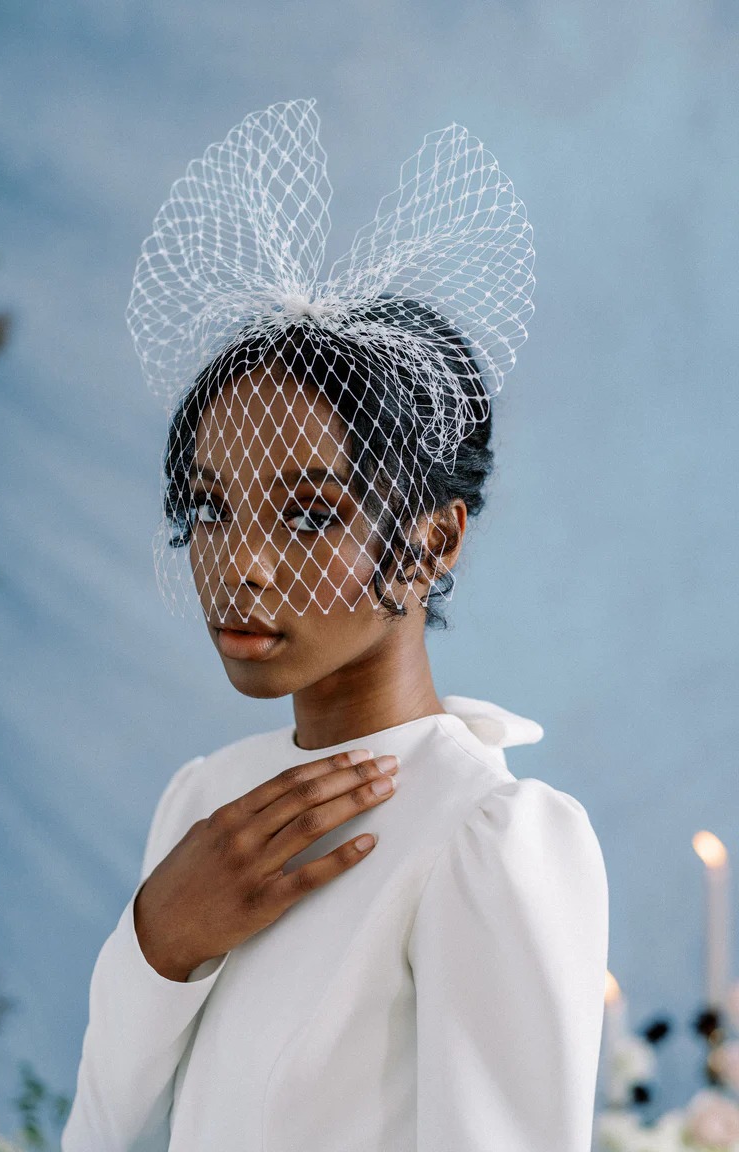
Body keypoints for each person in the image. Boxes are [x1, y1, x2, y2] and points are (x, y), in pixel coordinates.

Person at [61, 99, 609, 1152]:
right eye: (211, 508)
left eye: (310, 514)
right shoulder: (205, 800)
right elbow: (102, 1135)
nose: (244, 564)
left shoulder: (491, 840)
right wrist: (157, 945)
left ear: (438, 540)